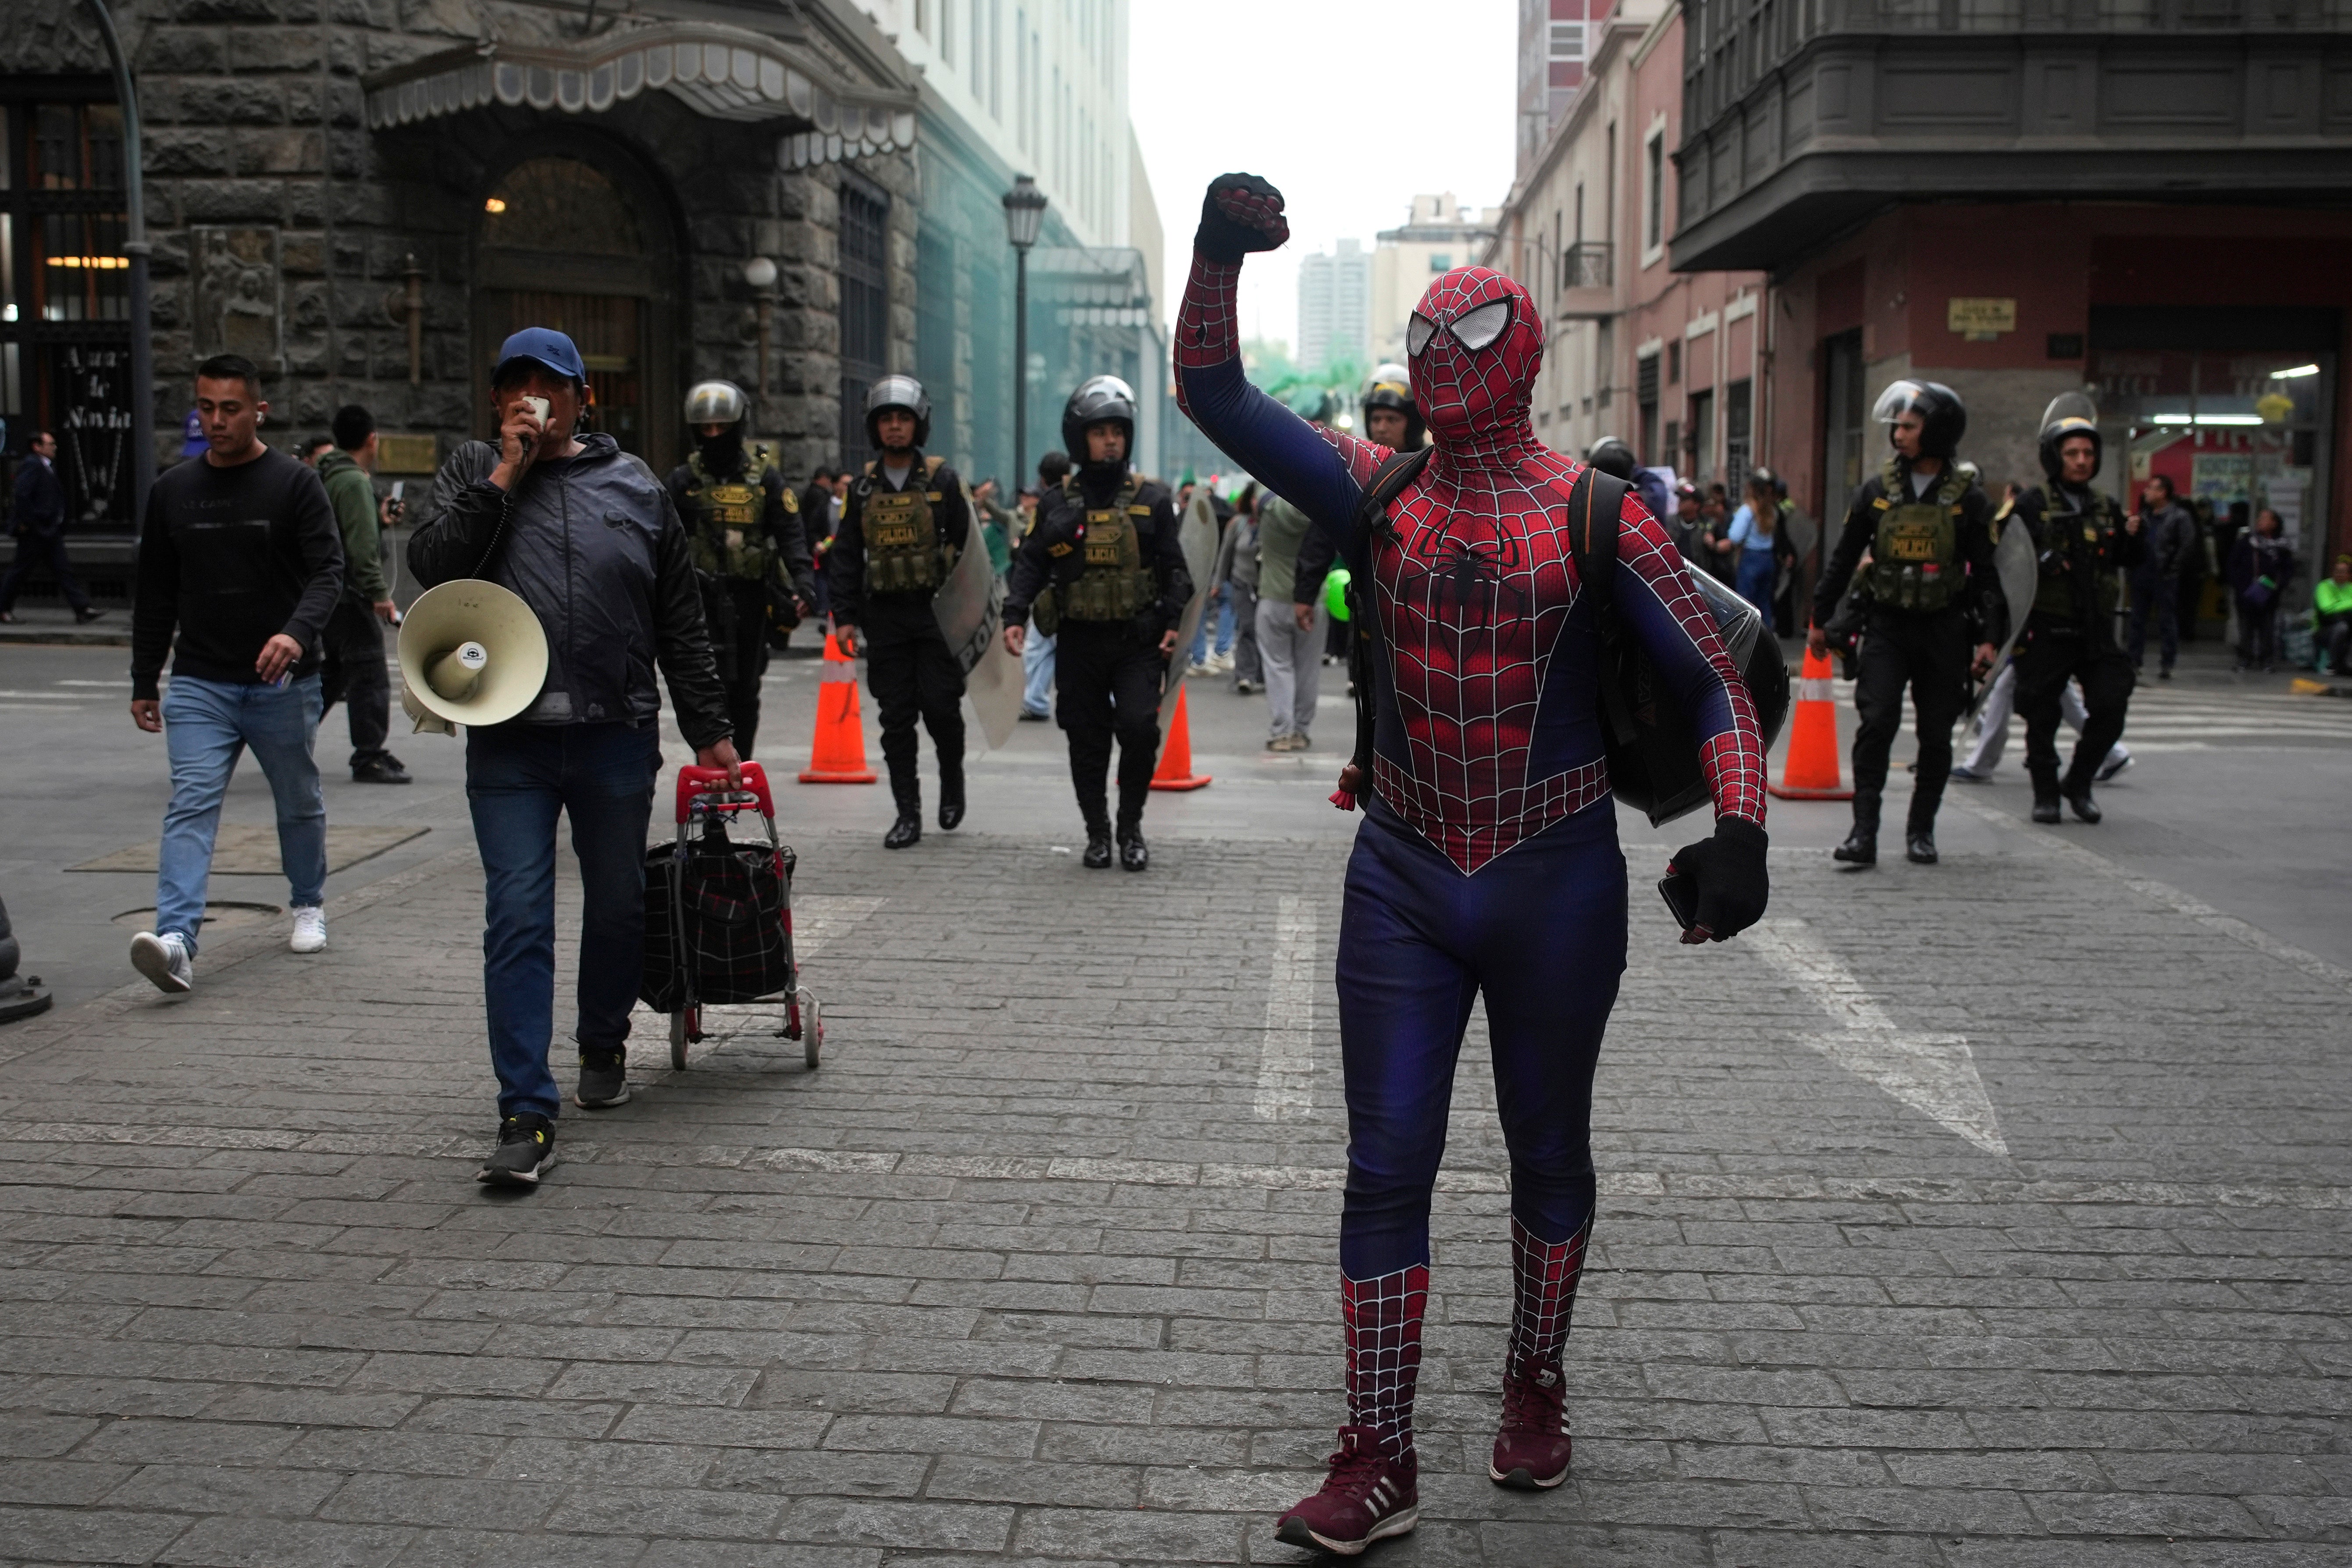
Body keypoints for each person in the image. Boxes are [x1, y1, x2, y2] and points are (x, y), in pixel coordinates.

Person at [1173, 173, 1768, 1554]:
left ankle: (1536, 1376)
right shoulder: (1377, 492)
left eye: (1465, 345)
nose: (1442, 369)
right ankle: (1378, 1447)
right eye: (1426, 349)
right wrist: (1215, 256)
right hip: (1404, 870)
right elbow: (1212, 390)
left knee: (1549, 1147)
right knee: (1387, 1160)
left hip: (1557, 873)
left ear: (1517, 360)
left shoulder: (1599, 515)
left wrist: (1737, 830)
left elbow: (1716, 688)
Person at [410, 328, 737, 1187]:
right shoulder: (473, 474)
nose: (532, 399)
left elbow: (680, 617)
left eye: (548, 385)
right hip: (509, 742)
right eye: (515, 385)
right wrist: (503, 479)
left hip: (614, 733)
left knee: (620, 904)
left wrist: (709, 726)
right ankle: (525, 1109)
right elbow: (432, 573)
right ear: (496, 402)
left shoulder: (636, 487)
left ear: (582, 397)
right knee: (517, 915)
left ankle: (604, 1043)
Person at [126, 355, 345, 994]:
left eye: (229, 408)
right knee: (191, 802)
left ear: (258, 410)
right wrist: (145, 680)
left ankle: (308, 902)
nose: (215, 420)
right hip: (200, 681)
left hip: (282, 681)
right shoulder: (173, 492)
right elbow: (155, 595)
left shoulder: (296, 484)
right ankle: (176, 943)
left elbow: (328, 572)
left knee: (297, 800)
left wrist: (295, 634)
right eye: (205, 407)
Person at [1809, 379, 2004, 867]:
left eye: (1910, 426)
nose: (1899, 434)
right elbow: (1843, 558)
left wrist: (1990, 640)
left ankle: (1922, 832)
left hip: (1945, 631)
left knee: (1936, 736)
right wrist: (1819, 616)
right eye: (1897, 425)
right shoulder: (1876, 493)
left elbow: (1987, 575)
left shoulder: (1970, 500)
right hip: (1888, 629)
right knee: (1876, 724)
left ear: (1937, 431)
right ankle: (1863, 834)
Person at [1002, 377, 1190, 872]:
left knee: (1138, 729)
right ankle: (1098, 833)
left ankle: (1131, 828)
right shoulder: (1056, 503)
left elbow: (1177, 571)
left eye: (1118, 431)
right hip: (1079, 640)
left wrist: (1171, 621)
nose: (1111, 440)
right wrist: (1014, 615)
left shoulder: (1153, 497)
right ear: (1079, 438)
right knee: (1086, 740)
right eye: (1099, 431)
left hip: (1137, 641)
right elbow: (1031, 564)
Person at [826, 376, 971, 848]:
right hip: (885, 619)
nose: (894, 428)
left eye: (902, 419)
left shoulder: (943, 481)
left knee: (941, 709)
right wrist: (844, 616)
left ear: (918, 425)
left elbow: (969, 552)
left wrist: (971, 620)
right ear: (875, 427)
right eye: (886, 420)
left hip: (935, 618)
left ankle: (953, 778)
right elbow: (846, 554)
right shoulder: (864, 489)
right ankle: (907, 813)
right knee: (896, 718)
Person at [2007, 398, 2142, 825]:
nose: (2082, 462)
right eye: (2072, 454)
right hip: (2047, 625)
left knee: (2111, 703)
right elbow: (2007, 559)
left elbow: (2125, 558)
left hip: (2095, 626)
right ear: (2054, 457)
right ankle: (2046, 793)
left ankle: (2079, 782)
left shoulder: (2104, 506)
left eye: (2088, 454)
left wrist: (2134, 536)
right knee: (2041, 713)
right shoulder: (2032, 504)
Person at [665, 380, 816, 759]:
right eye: (706, 429)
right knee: (703, 687)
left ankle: (741, 764)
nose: (714, 436)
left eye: (722, 428)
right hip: (699, 601)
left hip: (751, 600)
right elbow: (662, 541)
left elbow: (791, 534)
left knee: (746, 689)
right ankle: (710, 764)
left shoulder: (765, 480)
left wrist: (804, 584)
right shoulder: (683, 481)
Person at [314, 405, 409, 784]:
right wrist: (378, 594)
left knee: (333, 673)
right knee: (369, 672)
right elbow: (360, 548)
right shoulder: (352, 481)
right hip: (350, 595)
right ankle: (369, 755)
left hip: (329, 594)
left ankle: (286, 737)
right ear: (372, 439)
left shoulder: (329, 474)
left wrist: (379, 517)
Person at [1, 430, 102, 625]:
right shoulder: (32, 465)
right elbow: (22, 495)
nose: (55, 448)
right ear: (37, 447)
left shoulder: (46, 466)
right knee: (20, 571)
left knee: (63, 570)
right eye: (50, 444)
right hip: (35, 531)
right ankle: (3, 608)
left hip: (49, 531)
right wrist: (31, 522)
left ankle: (82, 609)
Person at [1253, 488, 1326, 751]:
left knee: (1277, 666)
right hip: (1312, 600)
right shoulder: (1319, 515)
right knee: (1309, 669)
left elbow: (1258, 500)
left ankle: (1281, 731)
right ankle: (1301, 731)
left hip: (1273, 597)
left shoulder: (1269, 509)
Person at [1019, 451, 1071, 722]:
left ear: (1042, 478)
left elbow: (1032, 557)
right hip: (1078, 591)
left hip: (1050, 592)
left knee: (1039, 649)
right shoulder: (1081, 498)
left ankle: (1036, 700)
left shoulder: (1046, 505)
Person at [2128, 474, 2194, 680]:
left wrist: (2172, 569)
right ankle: (2134, 660)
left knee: (2167, 619)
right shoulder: (2145, 517)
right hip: (2142, 573)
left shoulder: (2179, 517)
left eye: (2151, 488)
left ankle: (2167, 663)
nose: (2146, 492)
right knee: (2137, 619)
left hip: (2164, 575)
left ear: (2163, 492)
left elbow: (2187, 546)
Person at [2227, 507, 2295, 673]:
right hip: (2247, 592)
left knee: (2267, 628)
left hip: (2269, 594)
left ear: (2274, 524)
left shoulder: (2282, 547)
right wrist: (2240, 585)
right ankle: (2245, 658)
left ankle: (2267, 660)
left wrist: (2279, 585)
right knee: (2246, 628)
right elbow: (2233, 565)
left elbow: (2287, 569)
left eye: (2265, 519)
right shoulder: (2247, 542)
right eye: (2260, 518)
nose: (2260, 521)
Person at [1726, 471, 1782, 619]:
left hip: (1750, 559)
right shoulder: (1773, 512)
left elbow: (1735, 537)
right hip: (1768, 559)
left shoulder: (1747, 511)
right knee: (1764, 603)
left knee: (1746, 604)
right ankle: (1766, 637)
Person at [1226, 483, 1264, 695]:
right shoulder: (1238, 524)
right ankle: (1245, 675)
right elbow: (1226, 554)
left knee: (1263, 631)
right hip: (1241, 581)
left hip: (1265, 584)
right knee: (1248, 627)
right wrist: (1217, 583)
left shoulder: (1271, 523)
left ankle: (1262, 675)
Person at [2315, 555, 2352, 675]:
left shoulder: (2350, 588)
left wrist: (2341, 604)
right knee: (2342, 628)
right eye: (2338, 572)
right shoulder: (2324, 587)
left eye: (2343, 572)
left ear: (2349, 575)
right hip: (2324, 628)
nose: (2340, 575)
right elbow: (2327, 608)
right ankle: (2332, 664)